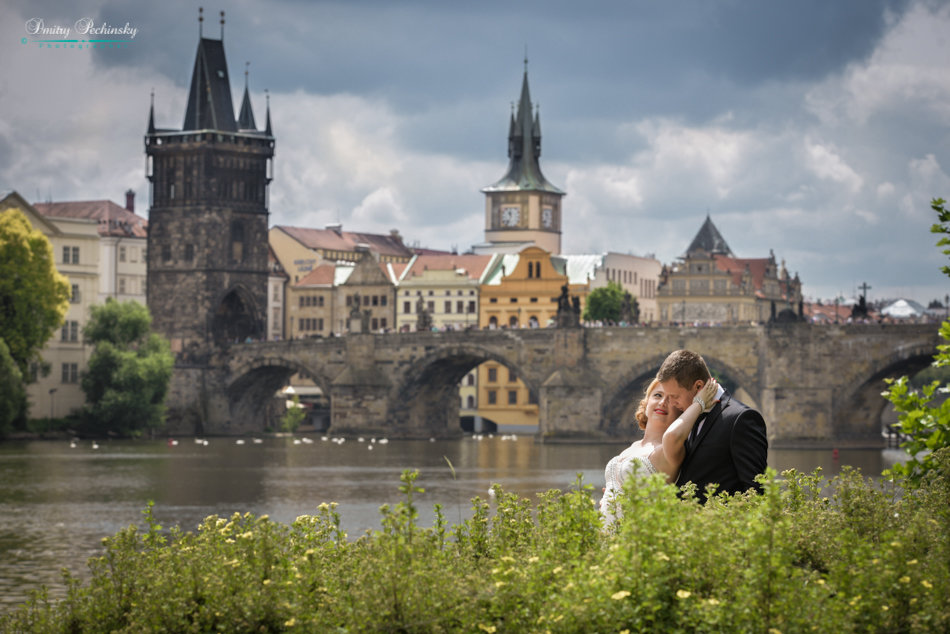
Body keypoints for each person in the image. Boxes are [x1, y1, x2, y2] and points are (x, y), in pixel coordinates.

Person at [600, 376, 719, 526]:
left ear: (681, 409)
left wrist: (698, 404)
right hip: (607, 537)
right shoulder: (633, 447)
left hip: (637, 538)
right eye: (658, 395)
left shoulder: (670, 448)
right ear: (646, 402)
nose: (663, 402)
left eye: (672, 398)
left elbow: (672, 435)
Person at [656, 349, 768, 503]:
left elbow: (755, 490)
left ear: (698, 386)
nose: (671, 404)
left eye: (674, 396)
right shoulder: (684, 416)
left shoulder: (740, 419)